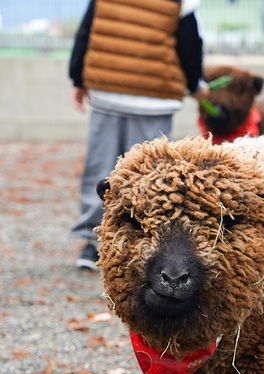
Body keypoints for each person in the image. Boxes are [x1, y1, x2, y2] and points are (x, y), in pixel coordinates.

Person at [69, 0, 209, 270]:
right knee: (149, 175)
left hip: (106, 87)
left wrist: (78, 77)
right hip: (153, 94)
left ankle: (92, 245)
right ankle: (141, 245)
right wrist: (196, 84)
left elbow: (87, 29)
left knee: (100, 166)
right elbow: (189, 40)